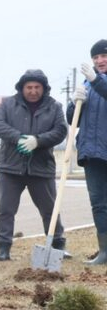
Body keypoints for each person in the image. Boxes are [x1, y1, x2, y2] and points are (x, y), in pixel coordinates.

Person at [0, 70, 68, 261]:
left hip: (41, 168)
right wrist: (19, 139)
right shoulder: (8, 104)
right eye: (29, 87)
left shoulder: (54, 107)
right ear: (22, 88)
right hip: (11, 167)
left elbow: (60, 130)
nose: (33, 91)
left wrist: (37, 141)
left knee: (50, 209)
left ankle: (57, 245)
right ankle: (3, 248)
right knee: (6, 209)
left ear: (44, 88)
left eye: (37, 87)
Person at [68, 39, 107, 265]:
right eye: (96, 57)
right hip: (92, 153)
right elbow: (72, 120)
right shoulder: (88, 84)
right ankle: (104, 251)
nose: (100, 60)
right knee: (99, 203)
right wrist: (74, 103)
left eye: (103, 56)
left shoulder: (95, 82)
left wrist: (96, 80)